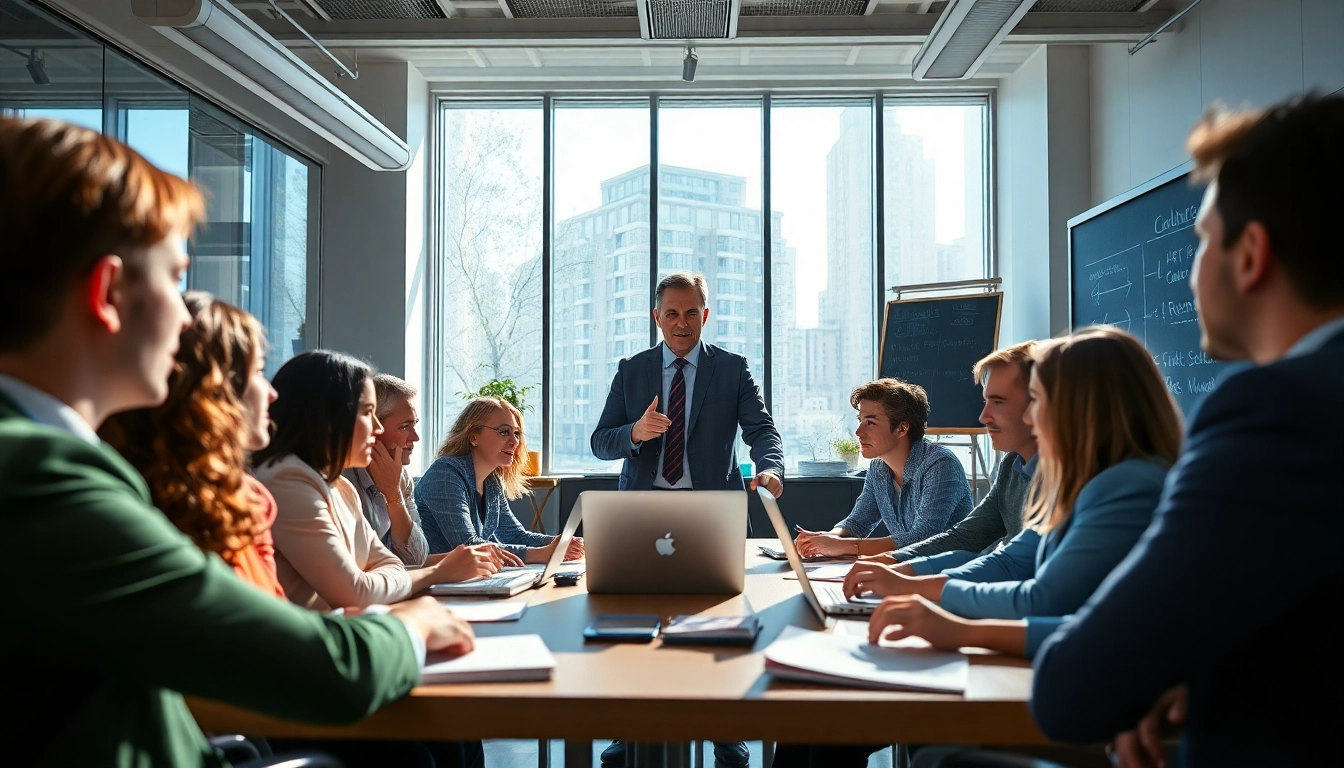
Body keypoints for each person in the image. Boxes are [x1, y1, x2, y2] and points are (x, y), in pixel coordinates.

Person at [0, 117, 473, 767]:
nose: (184, 309)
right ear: (108, 294)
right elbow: (324, 672)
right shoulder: (38, 480)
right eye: (173, 276)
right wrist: (413, 625)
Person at [1031, 94, 1344, 768]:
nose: (1195, 264)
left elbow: (1073, 690)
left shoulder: (1277, 416)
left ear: (1250, 254)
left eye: (1202, 239)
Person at [775, 327, 1182, 768]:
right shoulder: (1082, 481)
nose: (1026, 418)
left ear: (1082, 408)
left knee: (898, 744)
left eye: (1036, 401)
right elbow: (1010, 560)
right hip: (1049, 667)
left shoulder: (1126, 486)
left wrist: (950, 619)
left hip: (1081, 690)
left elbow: (1044, 597)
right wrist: (910, 584)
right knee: (819, 721)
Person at [255, 351, 512, 610]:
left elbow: (393, 564)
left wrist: (393, 498)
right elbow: (356, 590)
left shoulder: (341, 489)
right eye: (368, 413)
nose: (376, 428)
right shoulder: (290, 479)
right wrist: (438, 572)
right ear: (330, 418)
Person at [100, 291, 285, 596]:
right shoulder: (139, 508)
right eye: (260, 371)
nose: (272, 393)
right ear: (218, 389)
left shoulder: (249, 499)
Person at [591, 271, 785, 499]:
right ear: (657, 317)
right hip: (642, 507)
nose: (681, 323)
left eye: (691, 313)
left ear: (704, 316)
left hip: (714, 507)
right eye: (672, 314)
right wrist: (635, 432)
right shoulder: (630, 370)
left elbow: (762, 431)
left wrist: (771, 468)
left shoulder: (733, 369)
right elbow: (600, 442)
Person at [859, 341, 1039, 574]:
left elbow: (1021, 570)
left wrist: (913, 576)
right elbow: (968, 536)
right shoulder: (1011, 465)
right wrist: (895, 562)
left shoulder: (1072, 480)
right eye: (986, 402)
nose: (983, 417)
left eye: (998, 402)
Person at [794, 378, 974, 558]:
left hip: (950, 575)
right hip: (910, 572)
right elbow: (857, 523)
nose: (858, 432)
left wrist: (844, 546)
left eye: (870, 423)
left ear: (901, 428)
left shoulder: (940, 464)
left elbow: (921, 538)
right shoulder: (879, 467)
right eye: (860, 420)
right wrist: (825, 539)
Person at [417, 396, 582, 563]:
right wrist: (543, 553)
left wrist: (557, 542)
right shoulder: (444, 474)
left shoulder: (491, 481)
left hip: (469, 581)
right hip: (437, 585)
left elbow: (515, 535)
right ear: (473, 436)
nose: (515, 441)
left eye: (516, 433)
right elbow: (469, 546)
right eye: (504, 432)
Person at [343, 373, 429, 566]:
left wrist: (394, 496)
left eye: (414, 425)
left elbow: (417, 558)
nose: (415, 438)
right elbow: (359, 568)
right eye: (405, 427)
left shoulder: (402, 477)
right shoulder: (342, 478)